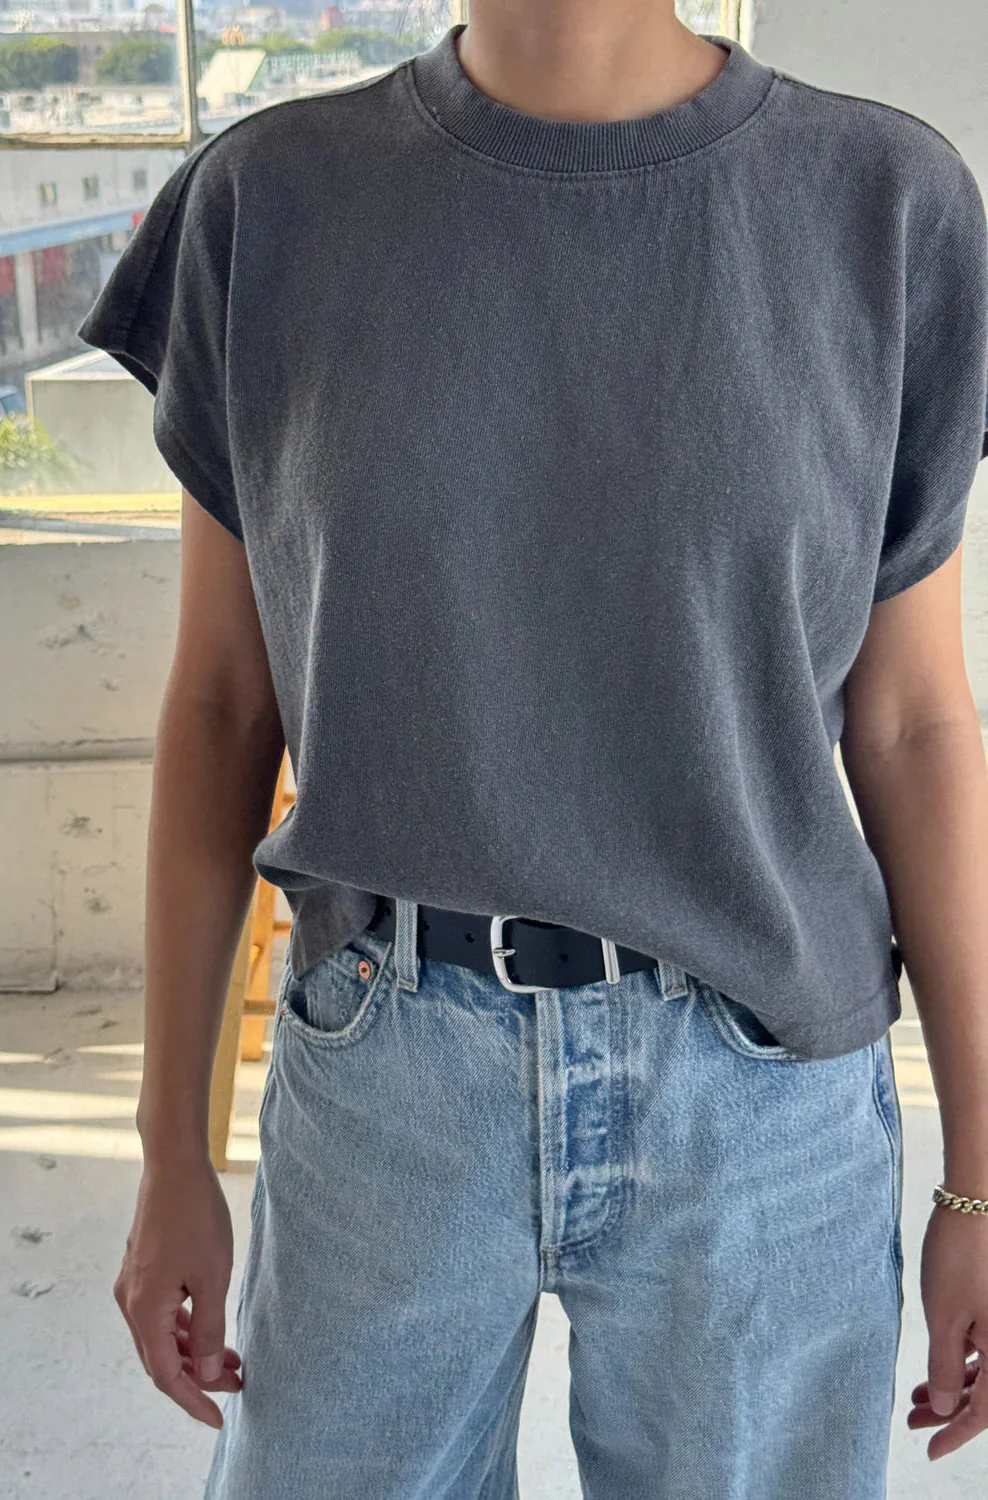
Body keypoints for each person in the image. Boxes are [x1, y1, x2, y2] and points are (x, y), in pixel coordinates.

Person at [75, 3, 988, 1496]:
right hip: (387, 1078)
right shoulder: (272, 200)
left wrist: (982, 1180)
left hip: (759, 1097)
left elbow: (914, 723)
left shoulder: (883, 206)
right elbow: (225, 708)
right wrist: (171, 1148)